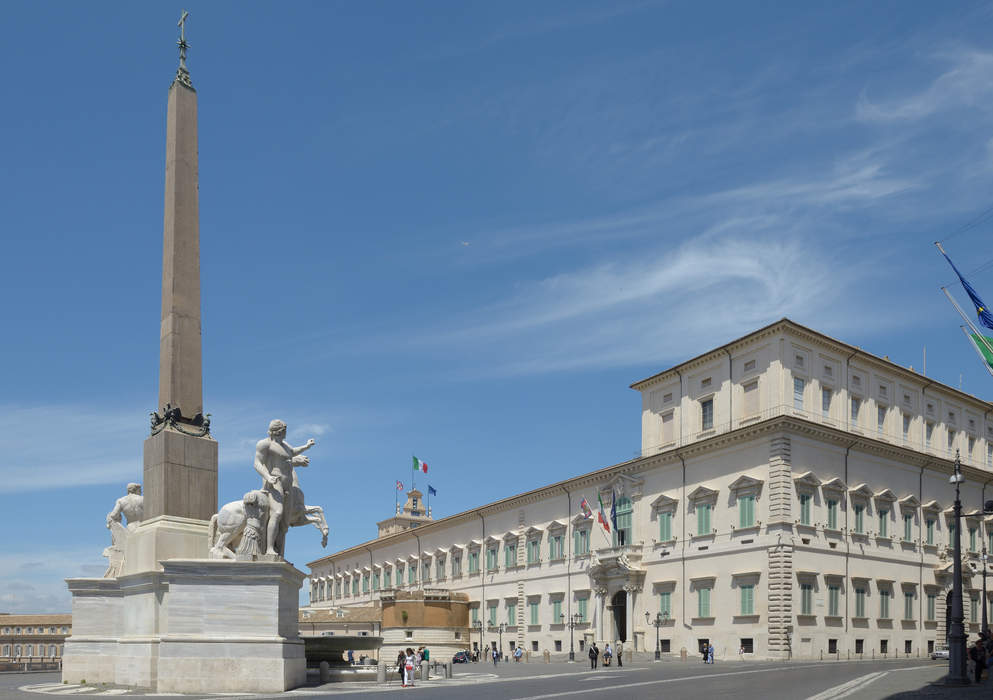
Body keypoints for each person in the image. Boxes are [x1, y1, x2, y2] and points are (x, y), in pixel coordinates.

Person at [254, 419, 316, 557]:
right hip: (275, 482)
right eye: (284, 431)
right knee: (277, 513)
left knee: (285, 523)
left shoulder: (284, 444)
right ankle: (269, 548)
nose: (285, 433)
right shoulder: (265, 444)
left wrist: (306, 446)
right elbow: (257, 463)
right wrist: (268, 477)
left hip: (288, 484)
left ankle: (280, 552)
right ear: (278, 431)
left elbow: (293, 452)